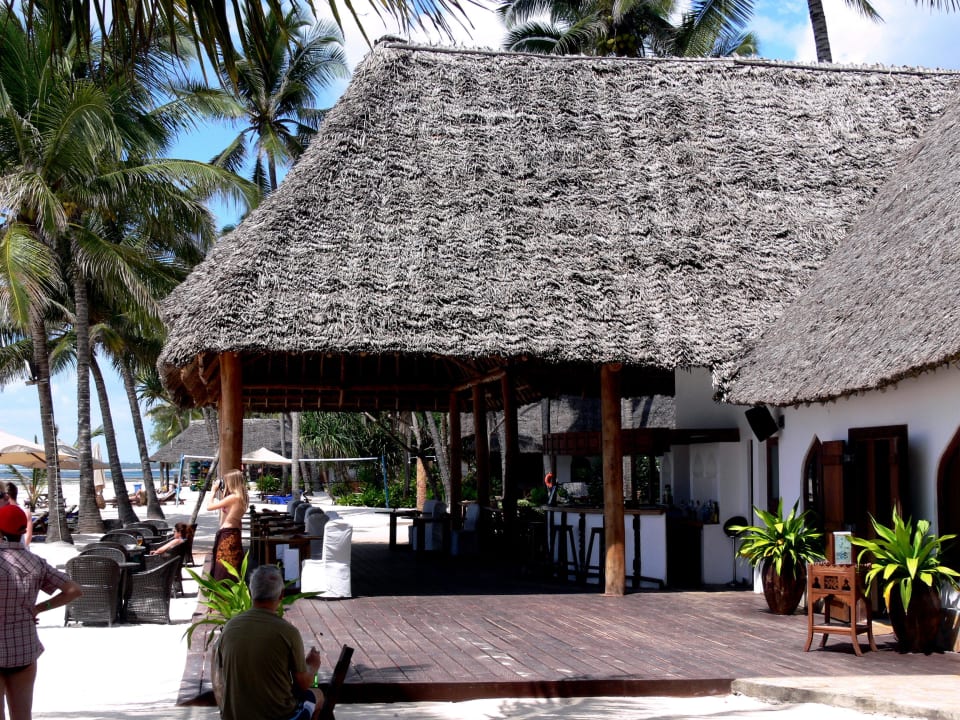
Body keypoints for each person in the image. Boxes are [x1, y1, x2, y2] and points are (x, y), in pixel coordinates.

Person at [0, 504, 82, 720]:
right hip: (24, 647)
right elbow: (73, 590)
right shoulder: (36, 562)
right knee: (22, 715)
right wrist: (38, 608)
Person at [216, 565, 323, 720]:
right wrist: (313, 665)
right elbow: (303, 684)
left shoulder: (229, 627)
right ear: (281, 595)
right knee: (317, 695)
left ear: (251, 592)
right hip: (279, 715)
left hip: (234, 715)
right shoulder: (288, 632)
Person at [207, 469, 248, 580]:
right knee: (233, 564)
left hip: (227, 533)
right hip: (235, 533)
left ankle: (221, 593)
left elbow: (209, 506)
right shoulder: (242, 497)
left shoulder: (233, 498)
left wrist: (213, 490)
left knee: (223, 566)